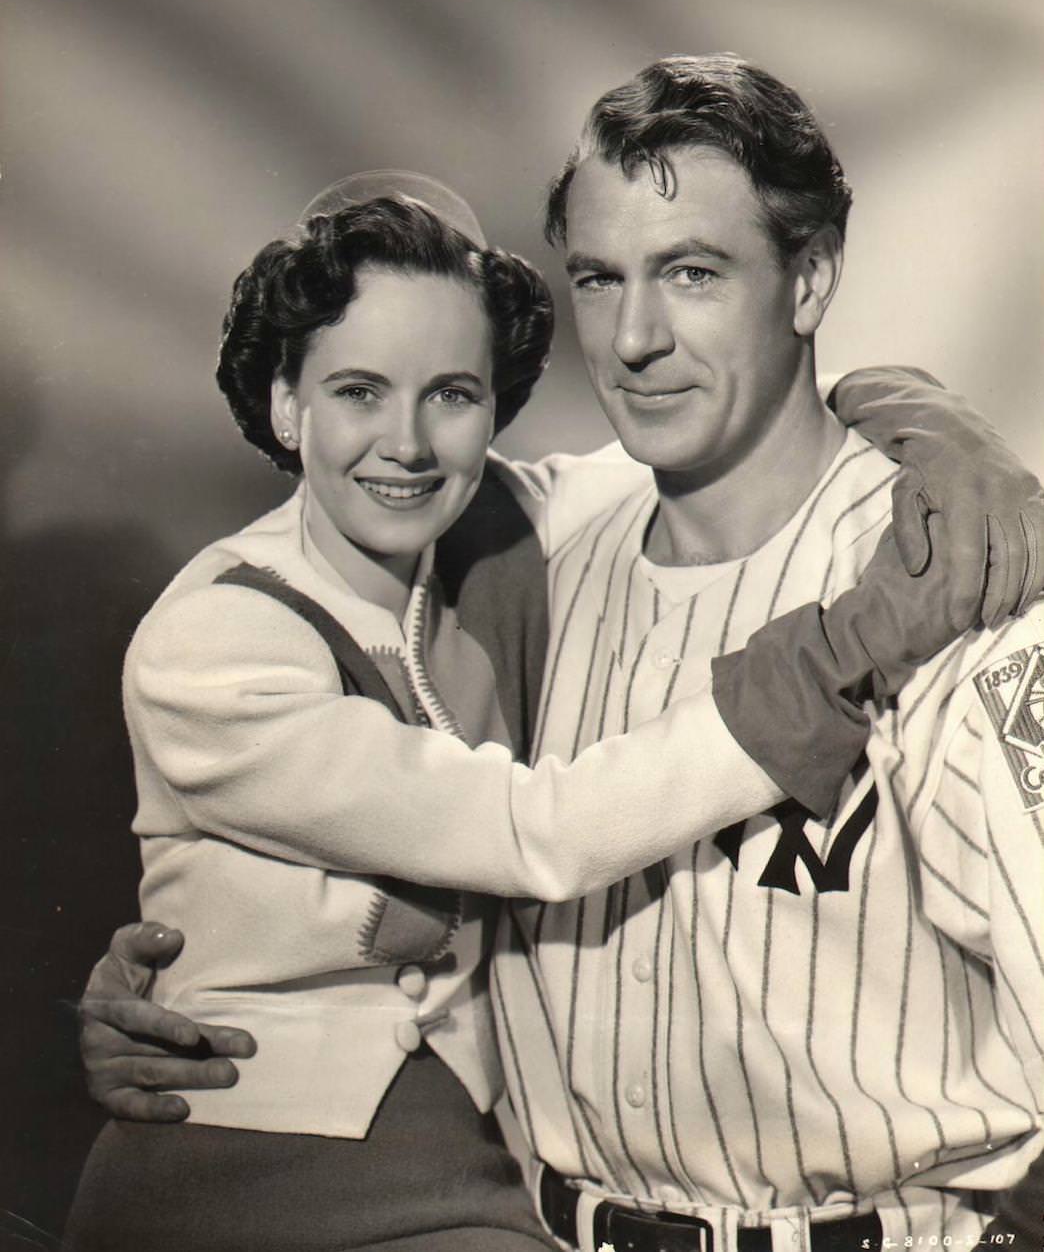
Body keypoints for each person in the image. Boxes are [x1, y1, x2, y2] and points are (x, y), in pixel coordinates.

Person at [76, 98, 1044, 1252]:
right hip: (440, 1206)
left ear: (811, 278)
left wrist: (941, 430)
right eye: (597, 278)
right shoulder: (469, 568)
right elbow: (522, 832)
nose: (634, 337)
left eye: (691, 272)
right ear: (286, 400)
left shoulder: (918, 577)